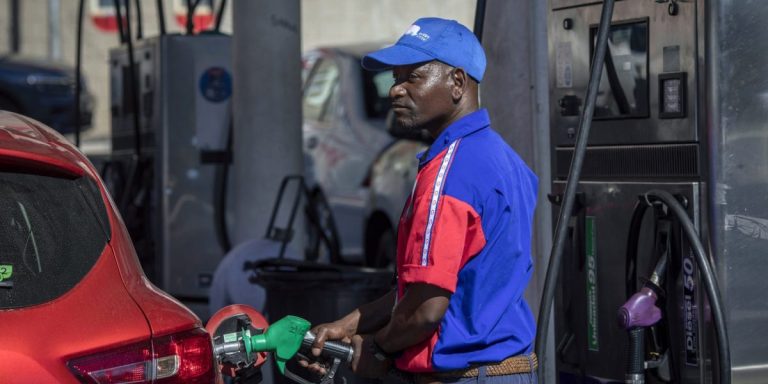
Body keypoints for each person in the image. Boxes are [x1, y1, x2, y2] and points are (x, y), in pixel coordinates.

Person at [301, 17, 539, 384]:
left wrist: (377, 349)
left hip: (464, 376)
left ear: (457, 82)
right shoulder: (504, 159)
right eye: (396, 78)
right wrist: (348, 326)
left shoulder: (450, 173)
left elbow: (427, 309)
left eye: (412, 76)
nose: (395, 90)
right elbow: (424, 288)